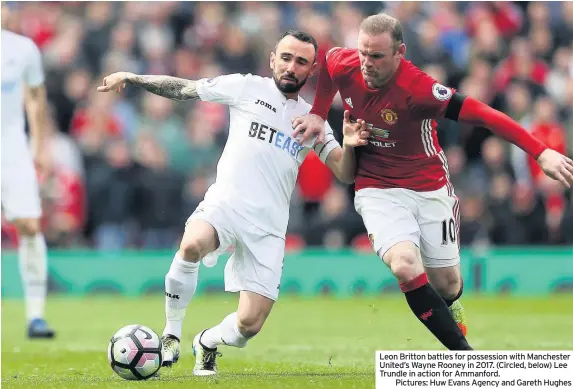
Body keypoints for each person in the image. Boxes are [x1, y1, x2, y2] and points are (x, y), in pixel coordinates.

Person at [292, 13, 573, 351]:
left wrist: (540, 152)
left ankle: (452, 303)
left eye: (377, 56)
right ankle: (464, 357)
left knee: (449, 284)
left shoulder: (420, 88)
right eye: (363, 52)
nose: (366, 63)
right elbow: (328, 68)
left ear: (400, 53)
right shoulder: (344, 61)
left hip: (428, 186)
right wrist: (318, 114)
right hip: (377, 187)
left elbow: (486, 115)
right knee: (404, 265)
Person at [97, 30, 369, 375]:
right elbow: (184, 88)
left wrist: (351, 144)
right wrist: (133, 77)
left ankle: (207, 341)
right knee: (192, 243)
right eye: (285, 57)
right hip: (227, 204)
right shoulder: (246, 88)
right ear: (273, 58)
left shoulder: (313, 120)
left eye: (301, 61)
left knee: (248, 326)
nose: (291, 66)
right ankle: (171, 334)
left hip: (269, 226)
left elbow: (344, 173)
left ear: (312, 70)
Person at [1, 4, 56, 339]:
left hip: (12, 147)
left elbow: (36, 97)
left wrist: (39, 145)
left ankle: (36, 315)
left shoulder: (23, 49)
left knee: (30, 225)